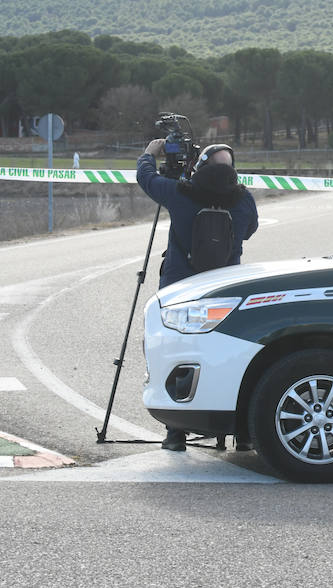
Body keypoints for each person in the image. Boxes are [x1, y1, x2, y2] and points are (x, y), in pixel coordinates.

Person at [137, 139, 259, 451]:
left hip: (180, 287)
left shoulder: (180, 193)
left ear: (199, 168)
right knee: (230, 357)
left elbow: (146, 178)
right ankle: (241, 434)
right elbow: (249, 229)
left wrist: (150, 154)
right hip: (224, 288)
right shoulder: (243, 200)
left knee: (177, 353)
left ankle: (176, 433)